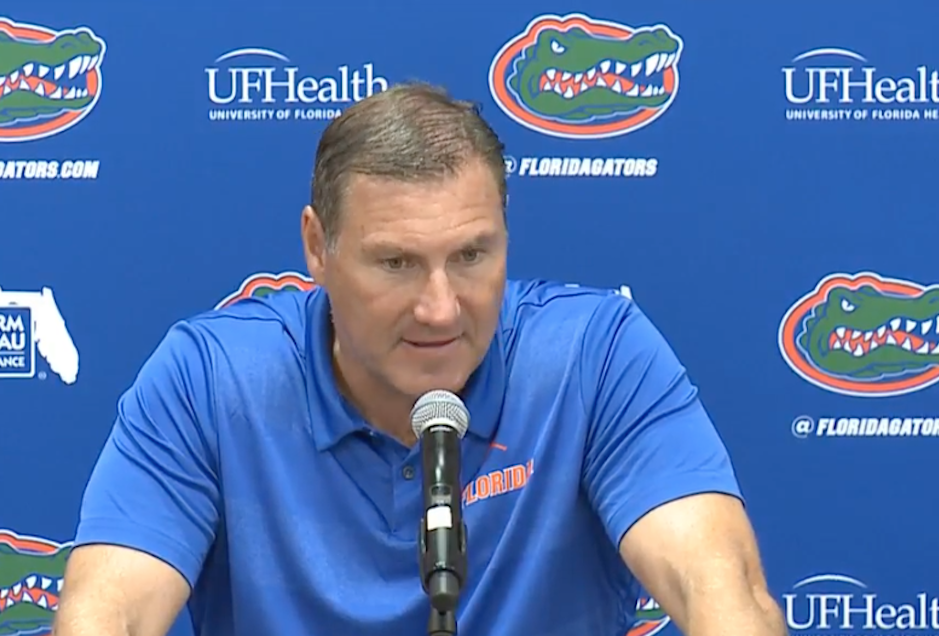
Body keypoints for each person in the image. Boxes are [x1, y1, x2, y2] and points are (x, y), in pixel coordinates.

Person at [52, 82, 787, 636]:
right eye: (396, 263)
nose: (441, 309)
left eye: (470, 256)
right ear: (317, 247)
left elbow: (718, 589)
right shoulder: (210, 380)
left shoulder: (595, 358)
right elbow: (110, 613)